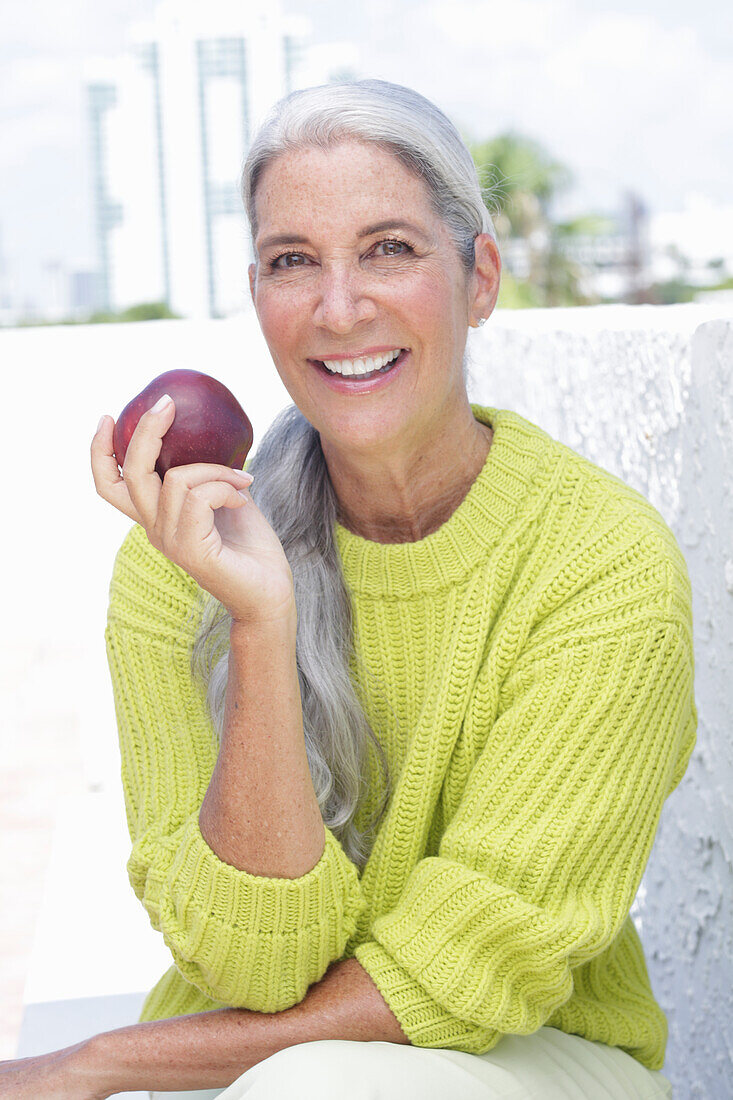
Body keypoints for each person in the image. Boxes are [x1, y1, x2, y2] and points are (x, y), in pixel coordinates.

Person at [0, 79, 694, 1099]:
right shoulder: (174, 561)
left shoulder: (600, 566)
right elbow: (253, 966)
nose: (337, 307)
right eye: (293, 262)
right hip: (254, 1061)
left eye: (389, 249)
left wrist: (99, 1058)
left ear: (481, 278)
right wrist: (259, 620)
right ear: (258, 298)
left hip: (527, 1056)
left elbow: (459, 974)